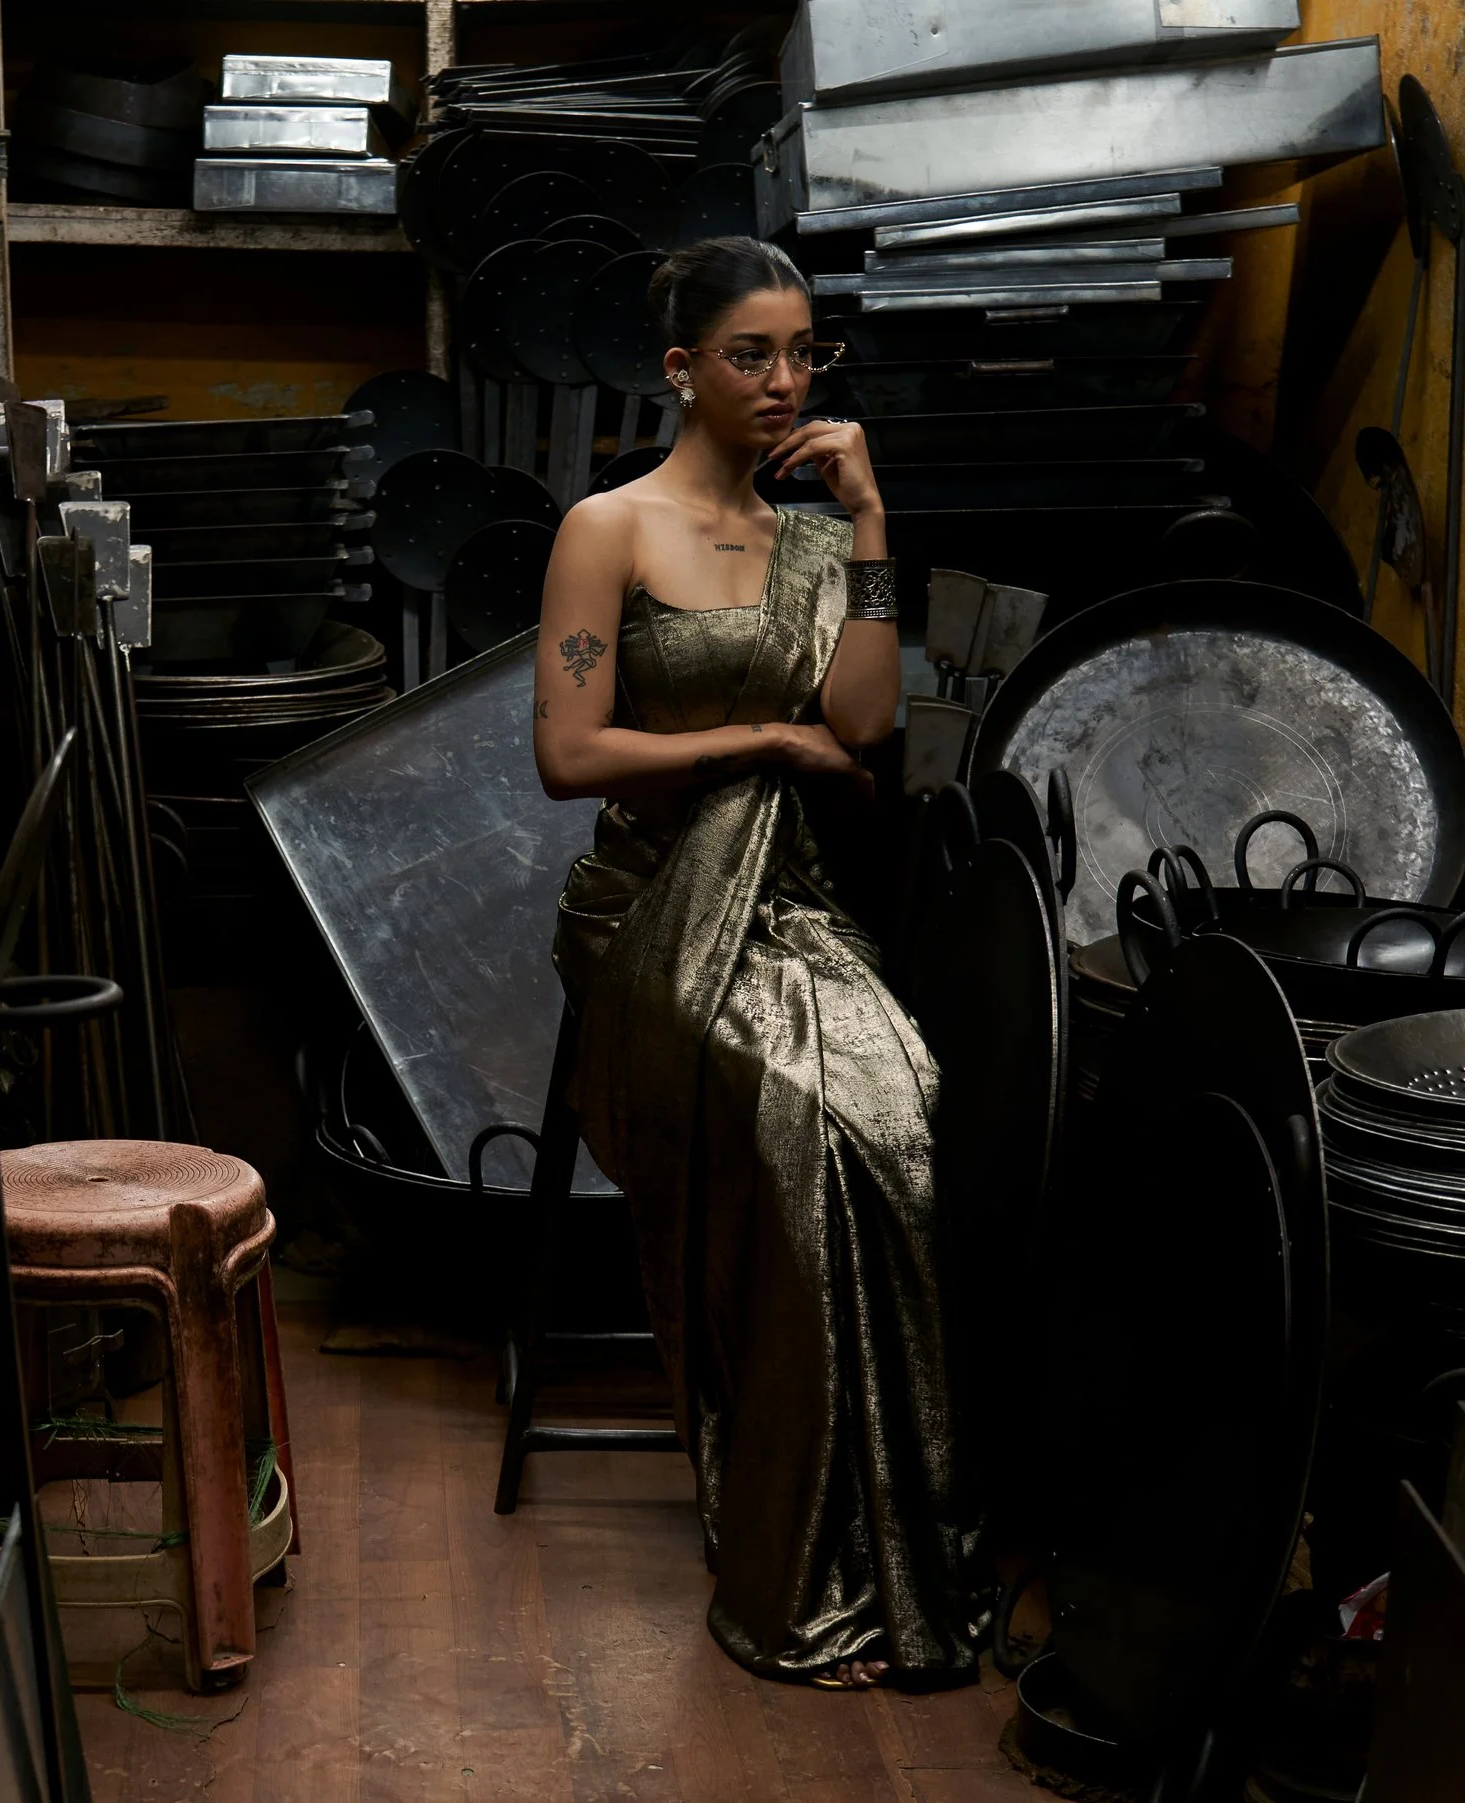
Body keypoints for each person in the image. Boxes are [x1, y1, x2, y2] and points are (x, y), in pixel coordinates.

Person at [532, 236, 980, 1690]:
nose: (787, 381)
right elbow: (570, 753)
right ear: (682, 370)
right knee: (794, 1111)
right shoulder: (608, 527)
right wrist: (759, 741)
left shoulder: (808, 536)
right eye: (752, 355)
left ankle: (873, 1515)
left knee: (899, 1105)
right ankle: (789, 1535)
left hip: (785, 901)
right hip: (646, 906)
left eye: (804, 353)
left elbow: (856, 721)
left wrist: (864, 520)